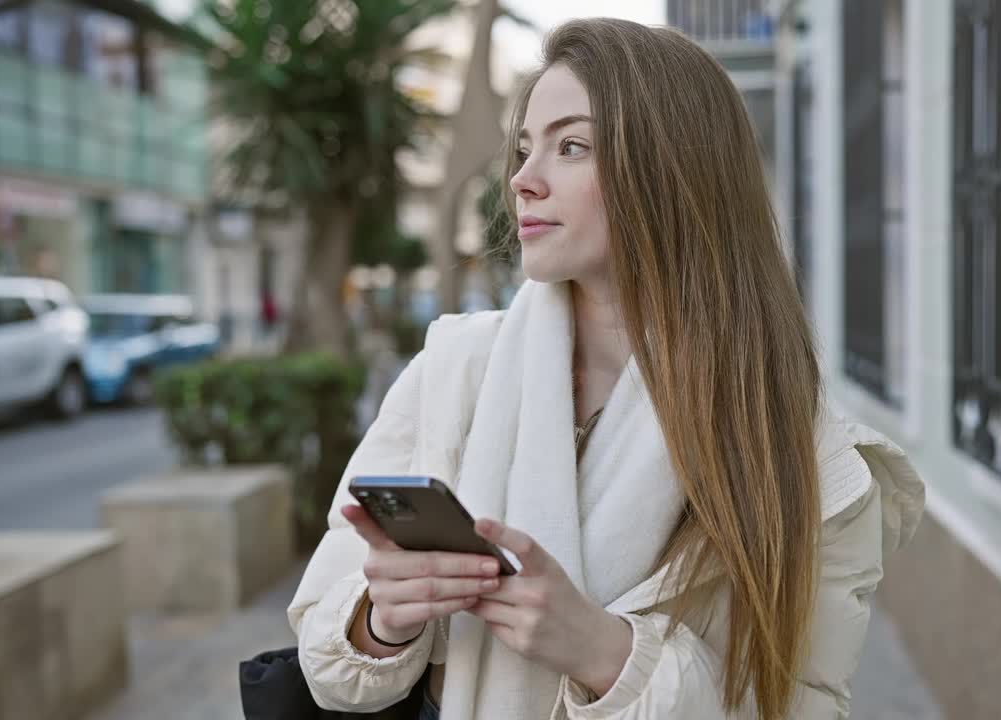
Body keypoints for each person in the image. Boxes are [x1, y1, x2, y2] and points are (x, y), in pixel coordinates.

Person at [288, 18, 925, 720]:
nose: (524, 181)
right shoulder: (453, 369)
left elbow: (802, 707)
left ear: (675, 170)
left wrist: (604, 654)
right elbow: (326, 654)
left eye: (572, 146)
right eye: (525, 149)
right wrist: (382, 620)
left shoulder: (811, 462)